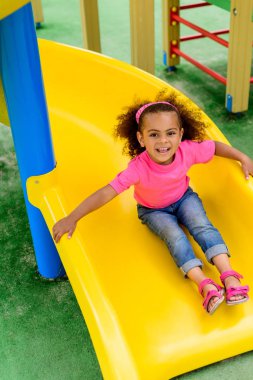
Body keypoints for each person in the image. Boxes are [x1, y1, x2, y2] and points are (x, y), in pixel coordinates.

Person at [52, 92, 252, 315]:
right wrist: (73, 217)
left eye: (170, 133)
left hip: (184, 198)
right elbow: (107, 192)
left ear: (180, 134)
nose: (163, 141)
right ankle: (204, 284)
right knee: (175, 237)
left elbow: (214, 147)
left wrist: (242, 157)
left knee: (201, 225)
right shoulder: (138, 168)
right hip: (153, 210)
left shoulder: (187, 150)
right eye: (154, 135)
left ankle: (230, 277)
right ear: (141, 138)